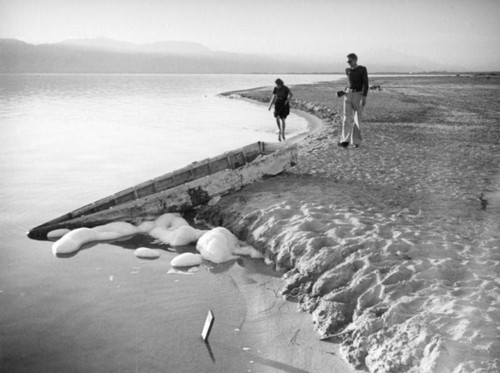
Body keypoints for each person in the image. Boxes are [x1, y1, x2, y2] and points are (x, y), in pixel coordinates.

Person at [338, 53, 369, 148]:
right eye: (347, 61)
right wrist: (343, 91)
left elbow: (366, 84)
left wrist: (364, 97)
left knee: (357, 119)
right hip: (348, 95)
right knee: (346, 118)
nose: (348, 63)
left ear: (355, 60)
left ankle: (356, 141)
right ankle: (344, 141)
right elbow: (349, 84)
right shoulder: (347, 70)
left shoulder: (362, 69)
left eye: (350, 61)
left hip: (358, 95)